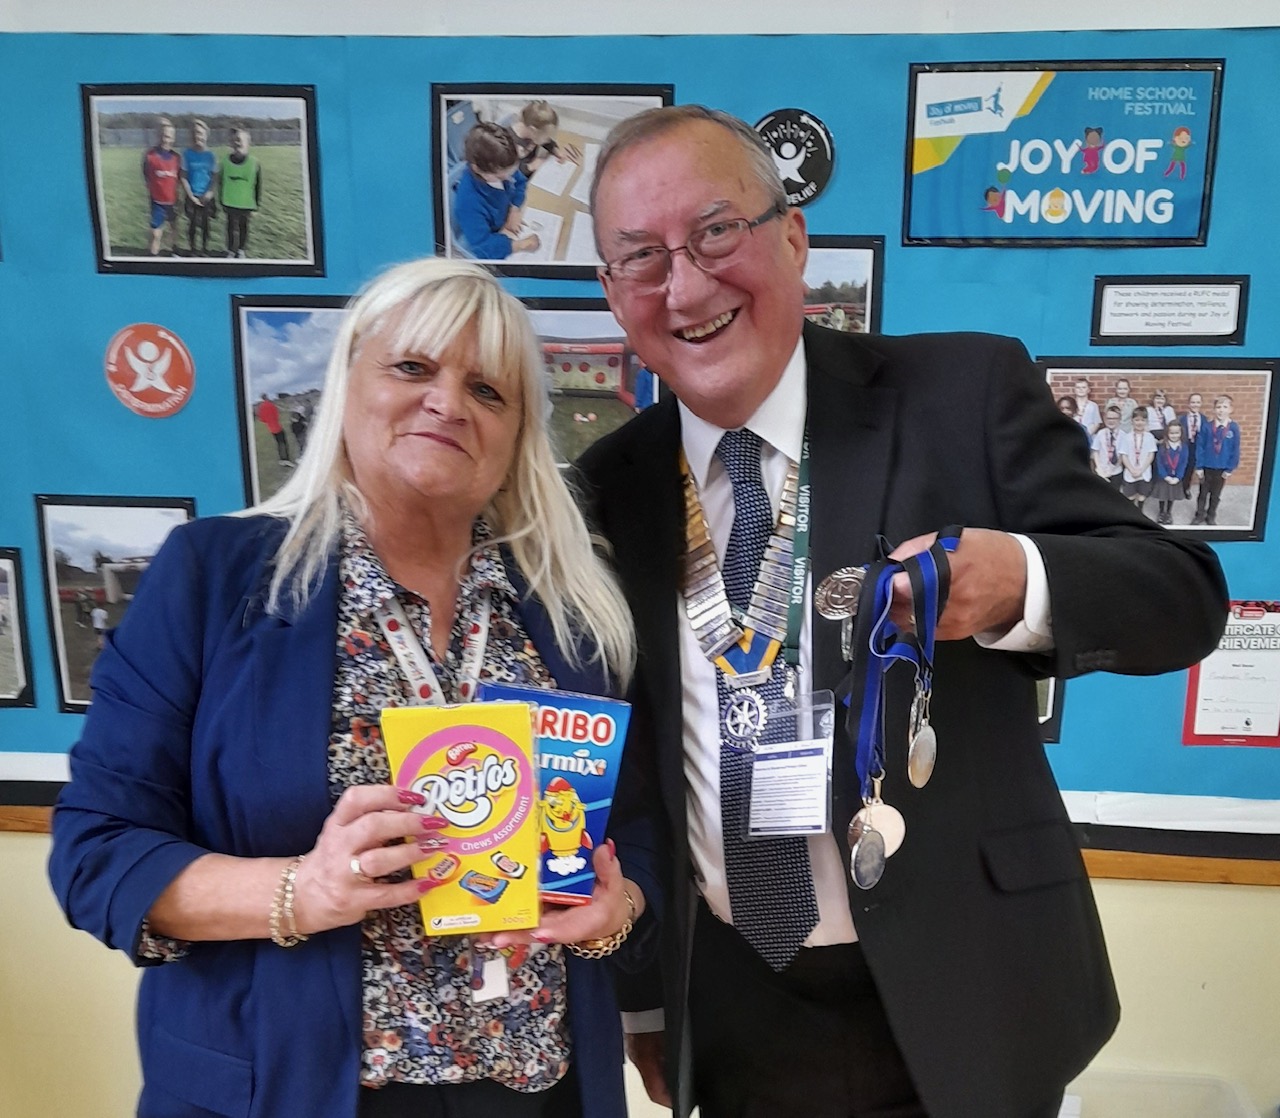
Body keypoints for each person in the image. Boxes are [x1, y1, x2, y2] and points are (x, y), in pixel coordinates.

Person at [576, 105, 1226, 1118]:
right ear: (614, 296)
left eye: (715, 231)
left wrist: (1019, 580)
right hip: (737, 999)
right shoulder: (605, 489)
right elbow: (637, 775)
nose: (687, 284)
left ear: (791, 236)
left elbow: (1181, 597)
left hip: (966, 982)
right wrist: (643, 1006)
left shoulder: (957, 391)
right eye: (641, 258)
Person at [49, 258, 657, 1118]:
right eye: (412, 368)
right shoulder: (215, 579)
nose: (447, 402)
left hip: (537, 1088)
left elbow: (637, 832)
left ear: (519, 435)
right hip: (296, 1089)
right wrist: (301, 891)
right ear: (346, 385)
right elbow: (96, 852)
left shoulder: (571, 611)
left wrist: (619, 905)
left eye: (487, 389)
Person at [453, 122, 540, 259]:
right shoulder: (468, 203)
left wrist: (514, 208)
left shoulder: (503, 165)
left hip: (507, 220)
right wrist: (519, 246)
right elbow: (481, 247)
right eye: (500, 176)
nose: (507, 177)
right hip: (496, 234)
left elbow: (520, 182)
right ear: (477, 169)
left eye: (511, 171)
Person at [1193, 393, 1242, 526]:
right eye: (1218, 407)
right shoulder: (1206, 426)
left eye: (1225, 407)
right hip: (1206, 467)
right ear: (1214, 409)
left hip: (1222, 469)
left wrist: (1230, 468)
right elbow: (1200, 447)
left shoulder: (1234, 428)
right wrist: (1199, 467)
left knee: (1215, 495)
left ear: (1231, 409)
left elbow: (1235, 449)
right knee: (1202, 493)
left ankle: (1211, 515)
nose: (1221, 410)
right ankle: (1199, 514)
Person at [505, 100, 584, 179]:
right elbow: (505, 173)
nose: (547, 139)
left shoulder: (532, 132)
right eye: (545, 136)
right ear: (533, 130)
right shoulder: (507, 144)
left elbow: (546, 141)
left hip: (534, 174)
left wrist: (555, 150)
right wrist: (530, 166)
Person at [221, 128, 262, 259]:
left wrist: (256, 206)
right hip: (230, 202)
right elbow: (221, 182)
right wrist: (221, 200)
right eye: (234, 140)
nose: (236, 143)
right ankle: (230, 250)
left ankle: (241, 249)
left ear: (247, 142)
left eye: (239, 140)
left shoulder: (254, 162)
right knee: (230, 227)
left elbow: (258, 185)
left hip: (246, 203)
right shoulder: (225, 161)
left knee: (243, 227)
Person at [142, 117, 180, 256]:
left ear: (173, 138)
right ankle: (153, 257)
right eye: (164, 136)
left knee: (174, 228)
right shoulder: (150, 155)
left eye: (169, 137)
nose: (166, 139)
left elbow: (180, 179)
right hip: (157, 202)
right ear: (159, 136)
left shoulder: (177, 157)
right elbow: (146, 175)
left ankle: (174, 251)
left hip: (173, 202)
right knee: (156, 234)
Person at [180, 118, 219, 256]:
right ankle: (192, 250)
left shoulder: (211, 155)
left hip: (206, 196)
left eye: (201, 133)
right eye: (195, 133)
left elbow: (214, 177)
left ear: (206, 135)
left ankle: (204, 249)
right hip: (192, 195)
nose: (198, 136)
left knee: (205, 224)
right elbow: (183, 176)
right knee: (192, 224)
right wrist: (190, 196)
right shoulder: (186, 154)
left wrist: (209, 193)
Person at [1117, 406, 1157, 514]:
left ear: (1146, 422)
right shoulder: (1127, 437)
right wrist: (1131, 469)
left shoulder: (1149, 437)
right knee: (1130, 495)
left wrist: (1141, 470)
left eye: (1143, 420)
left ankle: (1140, 511)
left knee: (1142, 495)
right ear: (1132, 421)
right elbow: (1124, 455)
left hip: (1144, 472)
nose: (1139, 423)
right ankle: (1131, 513)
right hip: (1130, 472)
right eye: (1137, 420)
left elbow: (1151, 455)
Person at [1153, 420, 1190, 524]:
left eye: (1177, 433)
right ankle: (1161, 512)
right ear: (1167, 433)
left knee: (1171, 496)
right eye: (1171, 433)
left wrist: (1178, 477)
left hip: (1175, 478)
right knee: (1162, 495)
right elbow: (1159, 462)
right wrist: (1165, 476)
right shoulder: (1163, 446)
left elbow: (1184, 463)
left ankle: (1168, 512)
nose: (1174, 435)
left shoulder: (1184, 447)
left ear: (1181, 433)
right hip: (1164, 477)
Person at [1179, 391, 1208, 500]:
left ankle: (1190, 489)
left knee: (1195, 469)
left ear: (1201, 403)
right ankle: (1181, 488)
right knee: (1185, 468)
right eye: (1193, 402)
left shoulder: (1204, 419)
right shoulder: (1182, 419)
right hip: (1186, 446)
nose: (1195, 404)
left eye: (1197, 402)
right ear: (1189, 404)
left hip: (1198, 446)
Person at [1090, 404, 1125, 488]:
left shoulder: (1124, 436)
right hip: (1101, 470)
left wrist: (1113, 469)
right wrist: (1099, 468)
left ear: (1119, 419)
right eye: (1109, 418)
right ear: (1105, 419)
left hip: (1116, 470)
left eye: (1114, 418)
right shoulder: (1100, 433)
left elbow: (1122, 455)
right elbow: (1096, 451)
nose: (1111, 421)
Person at [255, 392, 293, 467]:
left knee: (279, 443)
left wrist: (268, 420)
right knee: (283, 443)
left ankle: (282, 459)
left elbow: (262, 419)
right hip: (277, 426)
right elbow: (277, 415)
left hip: (271, 428)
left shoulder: (261, 407)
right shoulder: (271, 405)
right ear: (266, 397)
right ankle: (285, 459)